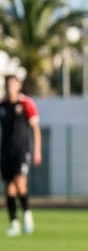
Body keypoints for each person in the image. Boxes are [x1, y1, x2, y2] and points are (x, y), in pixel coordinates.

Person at [1, 75, 42, 236]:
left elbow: (35, 129)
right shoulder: (2, 105)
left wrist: (37, 150)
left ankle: (27, 216)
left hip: (21, 151)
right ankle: (14, 222)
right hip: (6, 152)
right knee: (9, 188)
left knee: (20, 183)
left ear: (18, 86)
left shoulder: (26, 103)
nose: (10, 87)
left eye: (13, 84)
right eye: (8, 84)